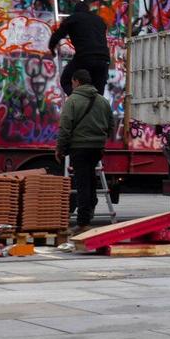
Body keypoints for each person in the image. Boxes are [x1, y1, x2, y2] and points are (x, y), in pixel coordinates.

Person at [55, 67, 114, 230]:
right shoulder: (103, 101)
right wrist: (101, 138)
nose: (72, 85)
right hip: (97, 148)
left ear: (77, 81)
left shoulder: (72, 101)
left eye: (72, 82)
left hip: (79, 147)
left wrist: (60, 148)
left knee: (82, 184)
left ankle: (83, 223)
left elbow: (65, 127)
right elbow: (111, 124)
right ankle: (91, 207)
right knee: (90, 179)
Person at [48, 0, 111, 94]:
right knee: (98, 91)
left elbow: (58, 35)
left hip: (85, 57)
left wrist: (51, 48)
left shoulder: (74, 18)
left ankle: (78, 99)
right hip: (103, 60)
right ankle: (94, 103)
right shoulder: (99, 20)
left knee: (66, 80)